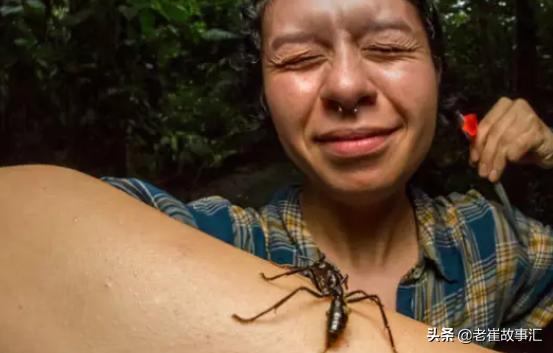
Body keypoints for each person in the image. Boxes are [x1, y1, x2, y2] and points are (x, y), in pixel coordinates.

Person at [0, 0, 551, 352]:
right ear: (263, 96)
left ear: (438, 75)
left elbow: (515, 337)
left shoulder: (491, 243)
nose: (345, 86)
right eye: (297, 59)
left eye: (385, 47)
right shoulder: (228, 243)